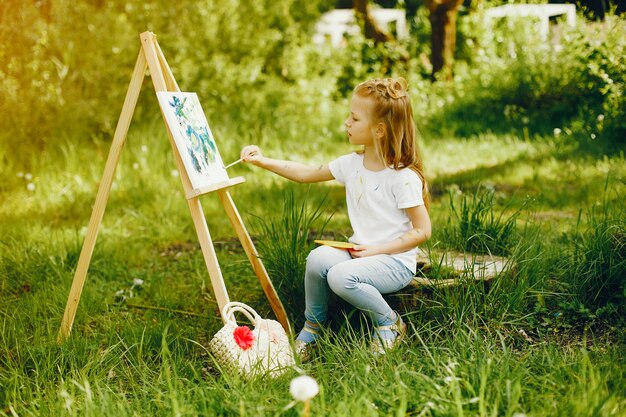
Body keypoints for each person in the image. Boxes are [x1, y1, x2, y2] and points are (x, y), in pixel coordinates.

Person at [240, 77, 431, 358]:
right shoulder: (352, 164)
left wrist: (378, 249)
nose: (347, 123)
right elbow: (306, 173)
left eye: (354, 118)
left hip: (394, 262)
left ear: (379, 130)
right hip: (360, 254)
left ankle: (389, 323)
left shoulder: (402, 178)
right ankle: (313, 327)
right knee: (317, 259)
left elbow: (423, 230)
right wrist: (262, 161)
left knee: (341, 276)